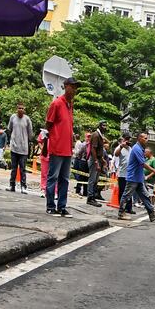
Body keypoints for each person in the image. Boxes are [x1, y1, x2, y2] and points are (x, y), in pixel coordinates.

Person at [45, 77, 79, 216]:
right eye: (72, 86)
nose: (74, 90)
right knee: (53, 177)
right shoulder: (57, 103)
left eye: (76, 87)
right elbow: (49, 123)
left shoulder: (70, 106)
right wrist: (54, 137)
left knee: (64, 179)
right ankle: (50, 206)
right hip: (57, 147)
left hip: (67, 149)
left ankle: (62, 206)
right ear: (65, 86)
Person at [117, 133, 155, 222]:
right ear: (140, 139)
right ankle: (121, 213)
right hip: (133, 177)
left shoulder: (140, 149)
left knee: (145, 196)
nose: (147, 140)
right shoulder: (137, 149)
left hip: (139, 178)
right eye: (145, 138)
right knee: (126, 195)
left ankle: (152, 214)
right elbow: (142, 163)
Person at [6, 103, 33, 193]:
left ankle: (23, 186)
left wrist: (27, 141)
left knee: (22, 169)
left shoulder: (27, 119)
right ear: (16, 109)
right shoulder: (13, 117)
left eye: (22, 108)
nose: (21, 109)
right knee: (13, 168)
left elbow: (30, 134)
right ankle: (12, 185)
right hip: (14, 147)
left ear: (24, 110)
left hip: (23, 148)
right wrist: (12, 140)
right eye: (19, 108)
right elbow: (9, 129)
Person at [85, 123, 108, 206]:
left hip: (98, 159)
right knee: (92, 179)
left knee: (96, 180)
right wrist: (96, 162)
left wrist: (102, 160)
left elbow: (99, 150)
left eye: (106, 126)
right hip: (94, 160)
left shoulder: (100, 135)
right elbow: (93, 149)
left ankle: (93, 196)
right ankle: (90, 198)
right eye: (103, 125)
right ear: (99, 126)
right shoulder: (96, 135)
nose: (105, 127)